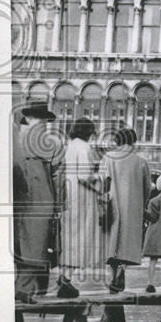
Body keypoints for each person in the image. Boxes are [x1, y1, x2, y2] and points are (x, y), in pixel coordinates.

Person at [13, 102, 60, 303]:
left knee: (24, 241)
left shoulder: (19, 135)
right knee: (37, 241)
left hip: (23, 194)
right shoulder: (43, 138)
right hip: (39, 194)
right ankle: (24, 288)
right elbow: (56, 165)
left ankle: (23, 286)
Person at [58, 117, 104, 296]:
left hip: (69, 195)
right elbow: (84, 175)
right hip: (82, 198)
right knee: (81, 237)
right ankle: (66, 279)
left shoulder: (70, 146)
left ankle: (63, 275)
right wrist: (99, 177)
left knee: (69, 237)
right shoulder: (84, 147)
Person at [99, 127, 150, 293]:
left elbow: (102, 181)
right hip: (133, 208)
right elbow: (147, 187)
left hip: (112, 204)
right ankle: (122, 270)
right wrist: (141, 203)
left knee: (112, 241)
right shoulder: (141, 161)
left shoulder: (108, 157)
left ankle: (112, 274)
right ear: (133, 141)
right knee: (127, 243)